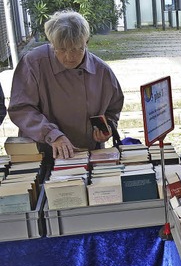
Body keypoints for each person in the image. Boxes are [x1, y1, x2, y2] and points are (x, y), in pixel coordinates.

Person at [8, 10, 124, 159]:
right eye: (61, 49)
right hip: (43, 152)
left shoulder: (102, 72)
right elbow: (21, 109)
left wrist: (106, 128)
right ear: (52, 44)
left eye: (77, 49)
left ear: (86, 42)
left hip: (86, 153)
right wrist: (52, 134)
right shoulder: (33, 63)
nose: (69, 57)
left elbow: (113, 109)